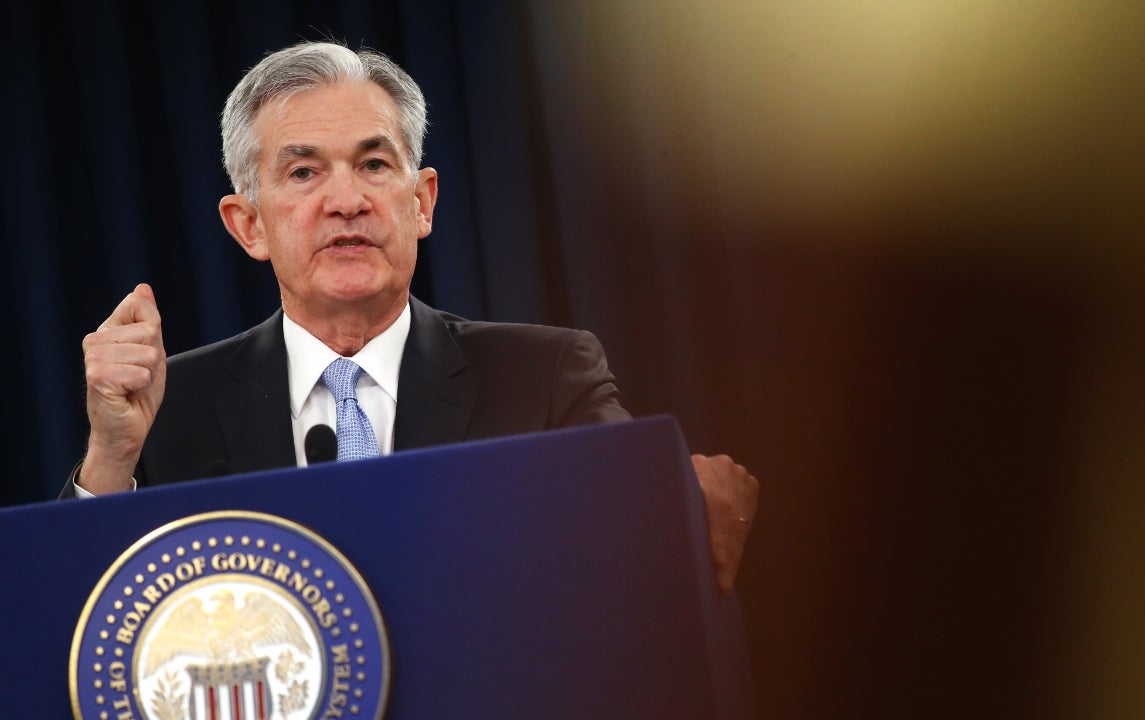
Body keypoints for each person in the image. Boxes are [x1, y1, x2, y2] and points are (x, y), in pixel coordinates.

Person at [65, 41, 757, 594]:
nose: (347, 201)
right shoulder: (168, 410)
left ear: (421, 202)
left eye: (373, 163)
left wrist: (680, 496)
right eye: (304, 173)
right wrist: (111, 459)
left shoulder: (545, 376)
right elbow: (73, 622)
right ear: (248, 225)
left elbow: (644, 526)